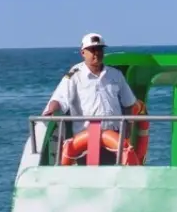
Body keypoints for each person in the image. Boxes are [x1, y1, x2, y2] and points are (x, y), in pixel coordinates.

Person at [42, 33, 138, 164]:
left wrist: (128, 128)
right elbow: (60, 98)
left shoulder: (115, 75)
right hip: (85, 137)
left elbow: (129, 103)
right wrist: (52, 109)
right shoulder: (74, 76)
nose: (96, 53)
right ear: (83, 53)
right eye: (92, 50)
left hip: (114, 136)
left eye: (99, 49)